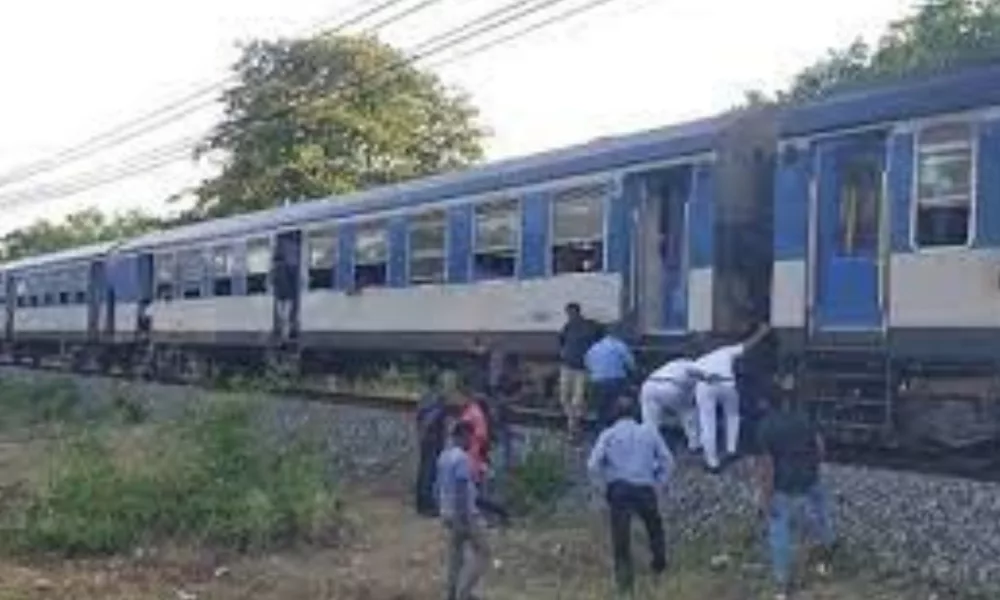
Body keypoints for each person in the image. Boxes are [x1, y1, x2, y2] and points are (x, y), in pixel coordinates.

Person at [754, 385, 836, 600]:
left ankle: (783, 585)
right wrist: (814, 468)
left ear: (768, 403)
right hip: (810, 480)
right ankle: (825, 563)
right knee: (821, 519)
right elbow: (820, 447)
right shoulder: (804, 419)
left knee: (780, 532)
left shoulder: (766, 427)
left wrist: (765, 496)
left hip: (782, 485)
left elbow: (767, 467)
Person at [587, 395, 672, 596]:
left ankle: (625, 584)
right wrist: (659, 482)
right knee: (654, 526)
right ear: (636, 413)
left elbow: (592, 464)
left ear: (614, 414)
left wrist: (602, 487)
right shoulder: (649, 432)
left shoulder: (609, 434)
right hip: (644, 487)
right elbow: (668, 460)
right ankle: (659, 563)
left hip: (619, 489)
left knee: (621, 537)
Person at [693, 323, 771, 472]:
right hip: (726, 383)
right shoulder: (725, 351)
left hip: (705, 385)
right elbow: (747, 345)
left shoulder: (696, 363)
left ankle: (712, 462)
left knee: (707, 422)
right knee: (732, 415)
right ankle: (731, 449)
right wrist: (762, 332)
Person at [438, 420, 491, 600]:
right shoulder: (461, 458)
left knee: (456, 557)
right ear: (463, 435)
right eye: (470, 437)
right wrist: (464, 519)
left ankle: (451, 594)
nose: (472, 442)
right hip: (464, 513)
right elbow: (461, 489)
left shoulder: (443, 456)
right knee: (483, 552)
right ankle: (465, 593)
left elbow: (438, 487)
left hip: (447, 512)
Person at [457, 373, 510, 526]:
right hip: (476, 456)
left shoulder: (472, 413)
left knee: (475, 493)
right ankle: (493, 515)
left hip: (473, 457)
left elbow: (479, 437)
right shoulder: (476, 411)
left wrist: (478, 457)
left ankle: (497, 514)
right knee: (477, 492)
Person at [638, 356, 713, 453]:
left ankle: (647, 446)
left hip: (649, 385)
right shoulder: (691, 364)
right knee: (688, 412)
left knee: (650, 421)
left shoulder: (671, 365)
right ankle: (695, 444)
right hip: (670, 386)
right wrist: (708, 377)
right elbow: (699, 374)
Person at [558, 302, 601, 440]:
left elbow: (598, 338)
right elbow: (561, 340)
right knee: (564, 396)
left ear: (576, 312)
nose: (569, 315)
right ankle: (574, 422)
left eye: (570, 312)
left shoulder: (590, 326)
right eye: (568, 313)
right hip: (568, 366)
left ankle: (573, 427)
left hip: (581, 367)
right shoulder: (568, 326)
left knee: (577, 399)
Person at [584, 323, 636, 431]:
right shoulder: (618, 345)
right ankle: (617, 430)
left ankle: (601, 432)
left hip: (597, 382)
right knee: (616, 407)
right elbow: (631, 364)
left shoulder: (594, 348)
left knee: (600, 410)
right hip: (615, 381)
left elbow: (587, 364)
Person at [414, 372, 449, 517]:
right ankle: (426, 504)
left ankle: (421, 502)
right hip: (432, 439)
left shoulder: (425, 396)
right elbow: (430, 419)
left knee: (424, 470)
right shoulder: (436, 398)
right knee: (429, 471)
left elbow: (420, 418)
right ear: (438, 383)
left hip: (427, 439)